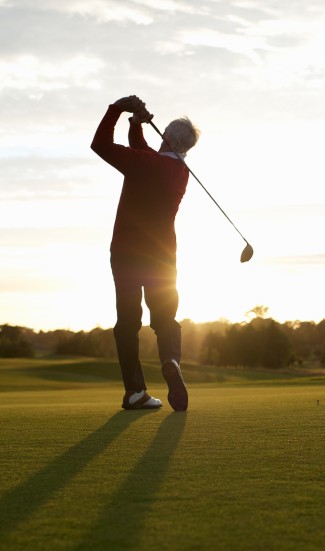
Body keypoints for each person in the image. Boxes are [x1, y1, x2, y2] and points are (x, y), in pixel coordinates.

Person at [90, 94, 199, 411]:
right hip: (162, 258)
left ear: (164, 136)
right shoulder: (180, 173)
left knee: (127, 323)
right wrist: (136, 125)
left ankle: (135, 392)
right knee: (165, 319)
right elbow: (146, 154)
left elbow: (100, 145)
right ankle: (170, 360)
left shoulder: (143, 164)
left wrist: (116, 109)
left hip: (125, 253)